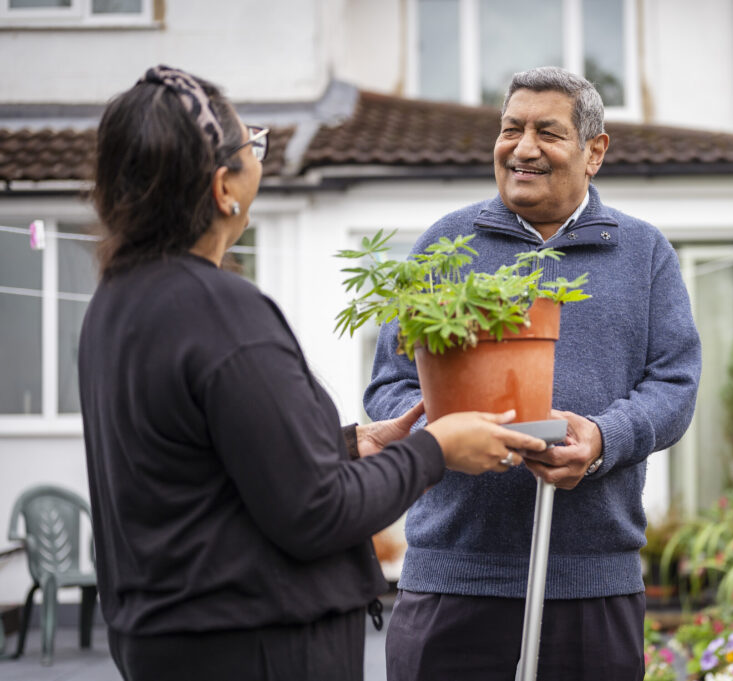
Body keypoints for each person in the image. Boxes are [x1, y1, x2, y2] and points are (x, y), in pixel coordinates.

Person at [77, 65, 548, 681]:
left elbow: (205, 466)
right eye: (254, 144)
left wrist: (349, 445)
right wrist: (436, 450)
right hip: (256, 648)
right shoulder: (221, 310)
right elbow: (316, 513)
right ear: (224, 187)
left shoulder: (116, 306)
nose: (260, 160)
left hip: (168, 644)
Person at [365, 66, 702, 680]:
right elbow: (391, 384)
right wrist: (443, 439)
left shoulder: (643, 253)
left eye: (547, 132)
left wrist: (602, 440)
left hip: (592, 586)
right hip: (453, 580)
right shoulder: (448, 245)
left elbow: (674, 385)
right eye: (510, 129)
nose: (522, 148)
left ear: (594, 151)